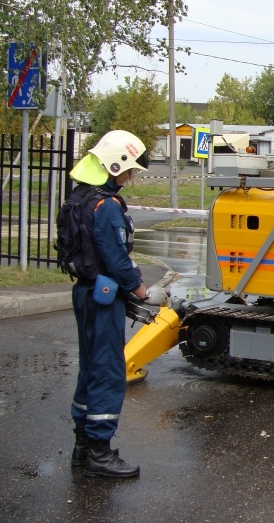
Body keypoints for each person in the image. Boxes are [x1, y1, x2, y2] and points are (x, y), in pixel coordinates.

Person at [66, 130, 168, 478]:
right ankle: (99, 453)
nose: (130, 176)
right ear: (113, 164)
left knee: (90, 368)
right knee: (109, 373)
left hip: (85, 292)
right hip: (103, 297)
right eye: (128, 170)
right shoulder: (106, 206)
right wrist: (142, 291)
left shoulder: (79, 197)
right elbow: (117, 259)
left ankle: (82, 446)